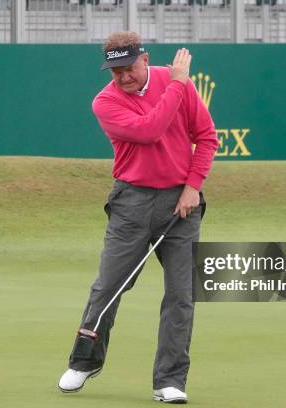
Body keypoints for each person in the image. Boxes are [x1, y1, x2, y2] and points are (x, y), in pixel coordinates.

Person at [57, 31, 218, 403]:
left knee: (182, 295)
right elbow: (150, 131)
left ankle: (170, 381)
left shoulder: (173, 81)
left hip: (181, 205)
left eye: (129, 67)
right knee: (108, 287)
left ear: (144, 59)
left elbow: (206, 136)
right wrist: (178, 85)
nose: (124, 77)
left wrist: (194, 185)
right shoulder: (106, 102)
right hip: (131, 203)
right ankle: (83, 362)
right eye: (116, 71)